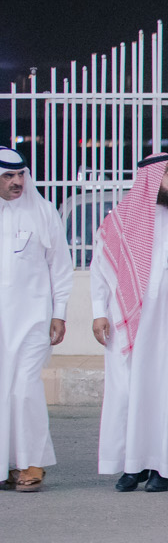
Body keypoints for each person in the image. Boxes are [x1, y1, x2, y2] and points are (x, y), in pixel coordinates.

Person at [91, 153, 168, 492]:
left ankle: (162, 468)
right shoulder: (120, 219)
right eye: (167, 172)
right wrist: (98, 311)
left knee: (167, 393)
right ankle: (132, 465)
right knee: (128, 392)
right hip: (127, 320)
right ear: (148, 178)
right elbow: (100, 268)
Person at [0, 147, 72, 493]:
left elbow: (60, 266)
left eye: (21, 175)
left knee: (25, 389)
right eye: (8, 176)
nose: (16, 182)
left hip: (33, 321)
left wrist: (60, 313)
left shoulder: (43, 212)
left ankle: (32, 462)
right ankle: (7, 465)